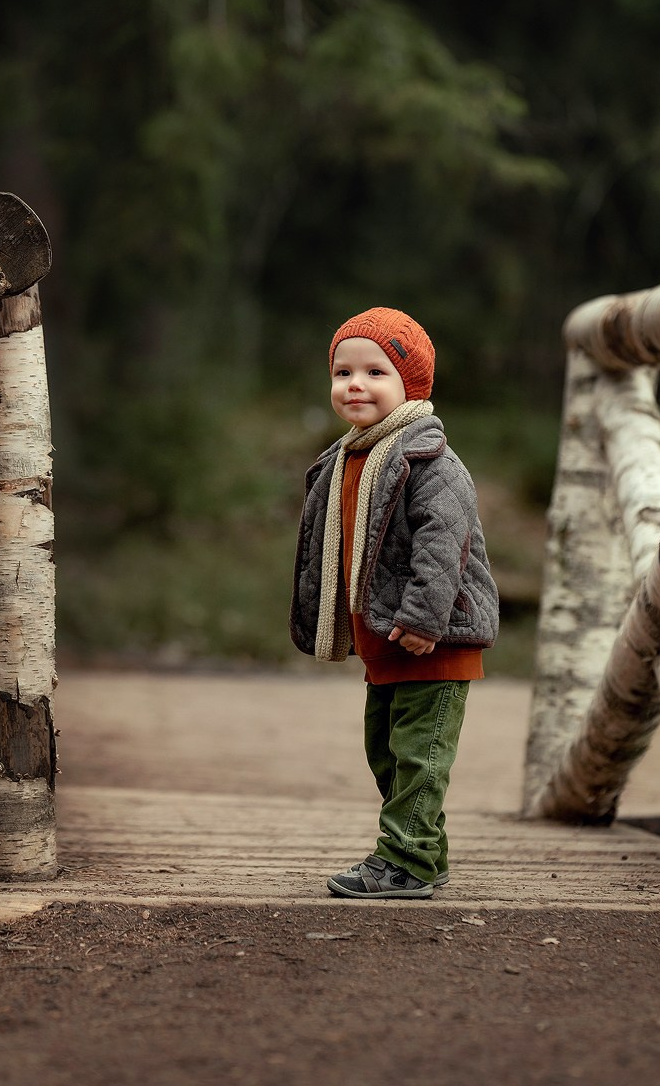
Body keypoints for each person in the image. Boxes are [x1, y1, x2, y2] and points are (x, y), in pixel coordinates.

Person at [290, 307, 499, 899]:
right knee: (385, 752)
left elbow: (443, 542)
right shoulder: (349, 457)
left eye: (375, 372)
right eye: (342, 372)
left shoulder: (429, 460)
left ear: (410, 385)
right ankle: (426, 854)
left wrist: (423, 616)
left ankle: (405, 861)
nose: (355, 384)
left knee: (419, 755)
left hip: (433, 636)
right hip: (384, 636)